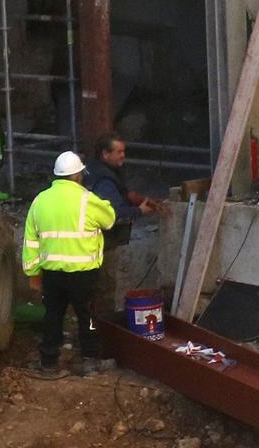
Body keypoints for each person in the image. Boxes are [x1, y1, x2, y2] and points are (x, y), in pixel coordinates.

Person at [23, 151, 116, 379]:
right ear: (78, 175)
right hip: (83, 274)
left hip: (51, 273)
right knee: (88, 317)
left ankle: (48, 364)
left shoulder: (39, 201)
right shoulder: (87, 199)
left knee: (53, 316)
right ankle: (90, 363)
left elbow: (30, 241)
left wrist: (33, 274)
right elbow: (110, 219)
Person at [85, 132, 158, 312]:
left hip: (88, 240)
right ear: (105, 154)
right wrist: (140, 211)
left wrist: (131, 197)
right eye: (118, 152)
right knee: (104, 288)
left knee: (92, 288)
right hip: (102, 242)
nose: (123, 155)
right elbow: (115, 215)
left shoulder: (92, 170)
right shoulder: (104, 181)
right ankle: (102, 329)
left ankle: (92, 326)